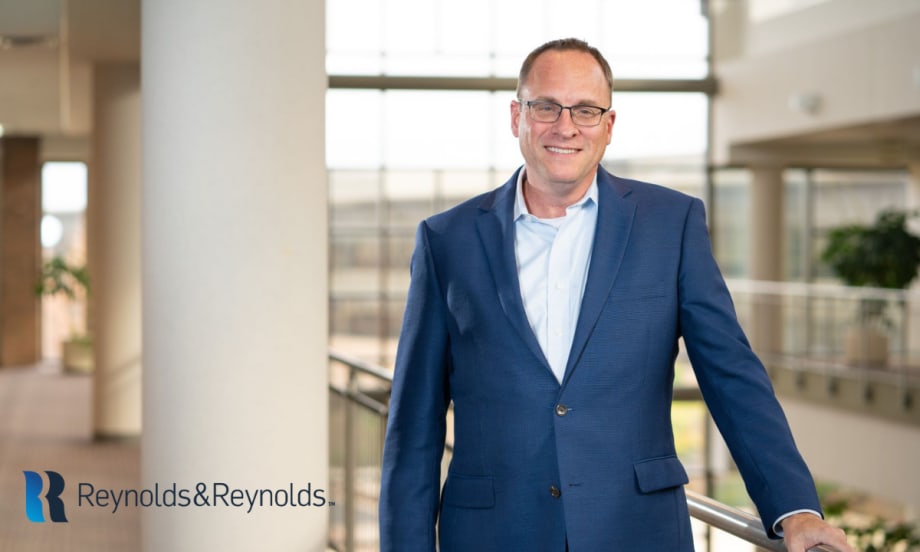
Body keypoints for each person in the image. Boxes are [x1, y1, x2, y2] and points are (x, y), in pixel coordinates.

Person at [378, 38, 852, 552]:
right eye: (545, 107)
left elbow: (731, 375)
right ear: (516, 116)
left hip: (636, 528)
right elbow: (415, 422)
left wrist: (795, 510)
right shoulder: (446, 239)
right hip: (493, 532)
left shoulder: (671, 223)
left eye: (585, 110)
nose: (565, 127)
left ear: (608, 125)